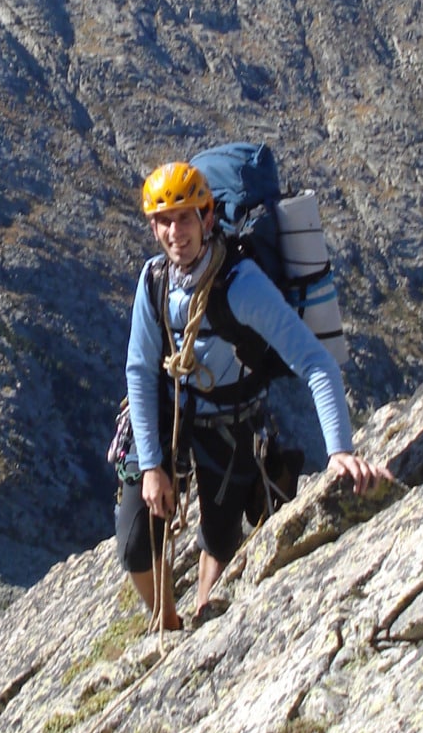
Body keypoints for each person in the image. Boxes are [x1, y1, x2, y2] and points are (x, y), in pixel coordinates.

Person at [117, 160, 390, 630]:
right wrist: (150, 466)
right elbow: (140, 370)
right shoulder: (154, 280)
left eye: (184, 217)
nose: (174, 232)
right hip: (169, 413)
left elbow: (315, 363)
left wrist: (340, 451)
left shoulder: (242, 286)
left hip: (230, 418)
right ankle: (167, 622)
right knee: (136, 541)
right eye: (163, 221)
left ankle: (205, 611)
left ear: (208, 217)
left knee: (221, 539)